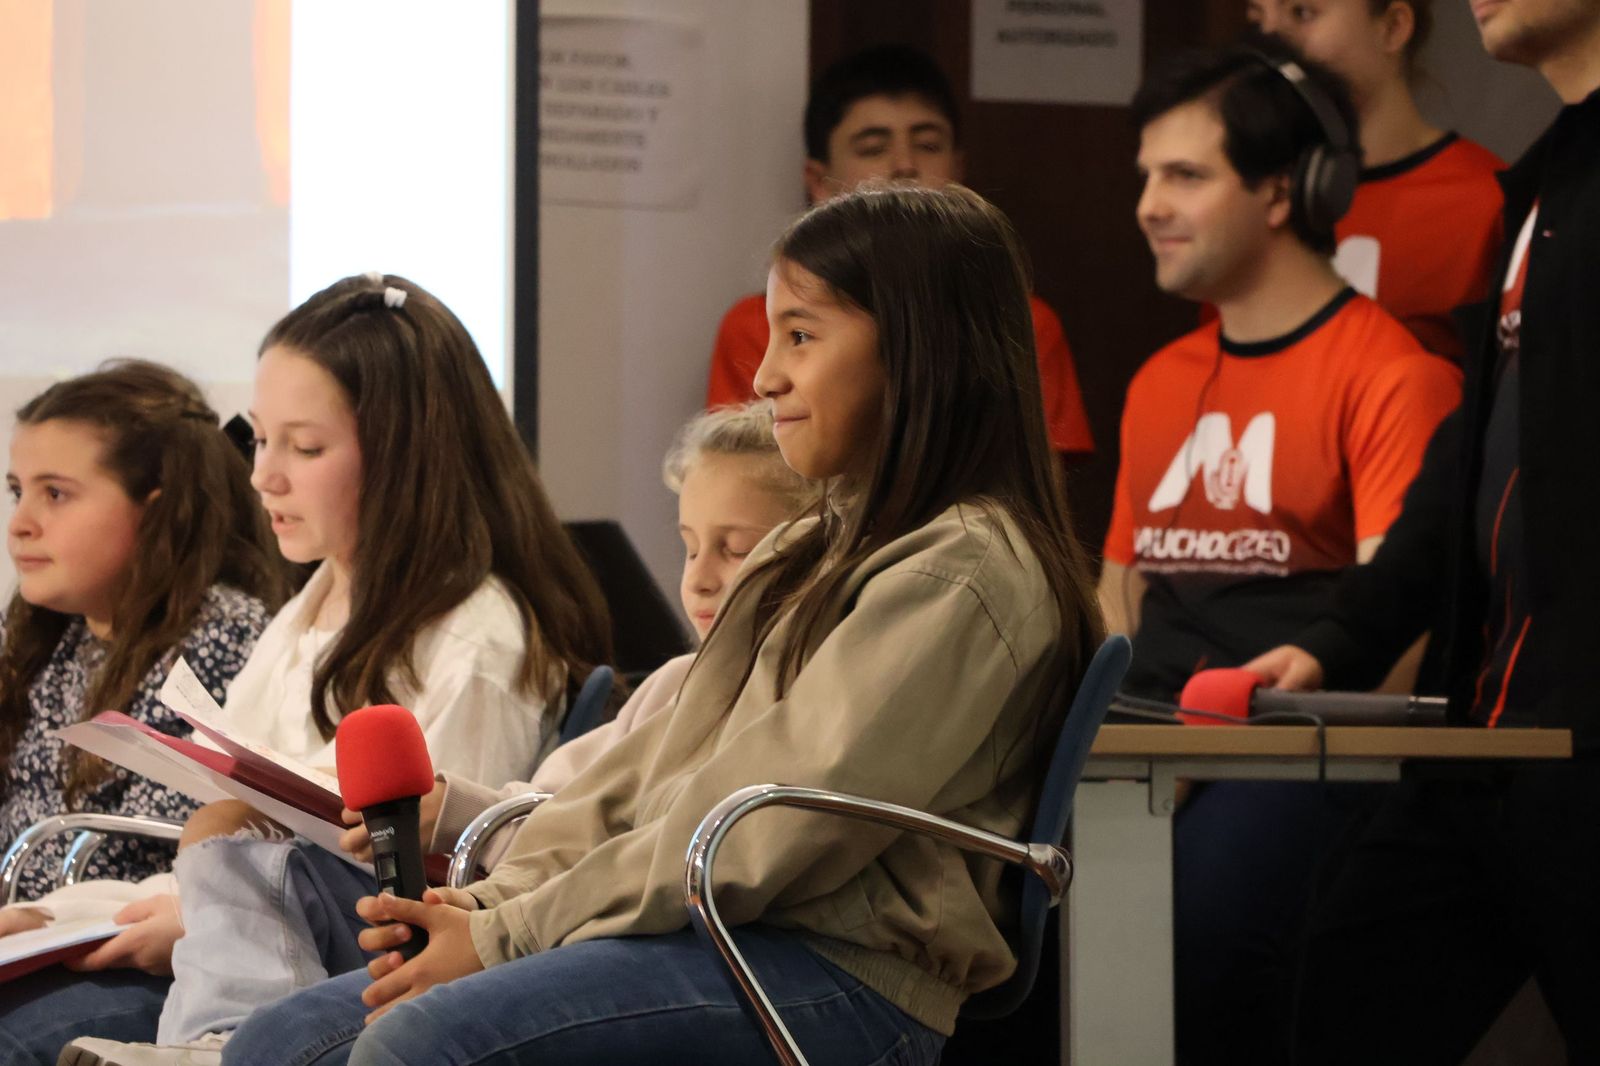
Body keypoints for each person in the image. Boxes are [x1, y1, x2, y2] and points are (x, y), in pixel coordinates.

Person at [214, 182, 1103, 1066]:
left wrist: (511, 934)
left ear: (919, 352)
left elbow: (761, 830)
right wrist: (494, 903)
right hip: (717, 935)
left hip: (836, 975)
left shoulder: (964, 568)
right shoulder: (810, 546)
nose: (765, 377)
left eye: (801, 335)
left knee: (421, 1045)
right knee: (280, 1040)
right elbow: (653, 771)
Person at [59, 401, 816, 1065]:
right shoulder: (675, 684)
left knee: (294, 1033)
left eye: (737, 548)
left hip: (557, 914)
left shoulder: (791, 700)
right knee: (226, 832)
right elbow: (552, 803)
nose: (701, 577)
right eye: (688, 545)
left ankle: (224, 1047)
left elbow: (604, 848)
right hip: (494, 885)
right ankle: (210, 1042)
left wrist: (458, 830)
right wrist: (448, 806)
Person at [15, 274, 614, 1066]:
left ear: (406, 454)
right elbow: (217, 828)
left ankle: (214, 1044)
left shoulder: (475, 640)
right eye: (260, 439)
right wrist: (66, 913)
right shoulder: (318, 601)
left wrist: (178, 911)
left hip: (342, 961)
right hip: (225, 927)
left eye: (305, 447)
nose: (264, 476)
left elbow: (445, 873)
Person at [1240, 2, 1600, 1061]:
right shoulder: (1543, 177)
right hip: (1481, 739)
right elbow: (1464, 472)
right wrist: (1335, 642)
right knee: (1340, 999)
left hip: (1580, 748)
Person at [1099, 40, 1462, 1065]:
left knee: (1202, 937)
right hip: (1144, 739)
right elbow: (1115, 592)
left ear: (1280, 191)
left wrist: (1221, 764)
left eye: (1183, 175)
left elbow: (1400, 637)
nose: (1147, 204)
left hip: (1298, 748)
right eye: (1144, 177)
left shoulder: (1393, 375)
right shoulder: (1159, 379)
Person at [0, 360, 284, 1058]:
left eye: (56, 494)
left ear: (155, 507)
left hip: (138, 950)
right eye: (16, 491)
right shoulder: (50, 636)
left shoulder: (223, 638)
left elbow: (169, 848)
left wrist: (37, 915)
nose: (21, 524)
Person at [704, 43, 1094, 459]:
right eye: (873, 148)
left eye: (927, 145)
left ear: (959, 169)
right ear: (818, 181)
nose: (903, 165)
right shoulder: (757, 325)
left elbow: (1044, 479)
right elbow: (738, 472)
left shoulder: (1018, 319)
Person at [1248, 0, 1505, 359]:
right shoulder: (1248, 197)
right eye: (1257, 19)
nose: (1270, 43)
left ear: (1392, 27)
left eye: (1302, 13)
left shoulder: (1489, 199)